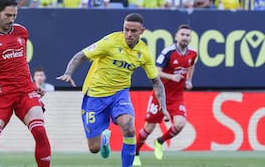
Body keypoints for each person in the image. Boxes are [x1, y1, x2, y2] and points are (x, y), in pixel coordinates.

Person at [57, 13, 170, 167]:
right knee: (94, 148)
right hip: (95, 96)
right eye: (126, 29)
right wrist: (68, 73)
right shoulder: (110, 42)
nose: (129, 34)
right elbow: (80, 56)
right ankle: (104, 139)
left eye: (133, 31)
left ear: (142, 31)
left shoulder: (144, 52)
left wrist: (163, 106)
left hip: (119, 94)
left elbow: (156, 82)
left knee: (129, 129)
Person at [0, 0, 51, 167]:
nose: (12, 20)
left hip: (25, 91)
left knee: (39, 130)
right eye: (8, 15)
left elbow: (20, 62)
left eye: (14, 16)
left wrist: (32, 84)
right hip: (1, 94)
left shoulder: (21, 32)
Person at [132, 24, 197, 166]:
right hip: (160, 95)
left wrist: (188, 80)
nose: (185, 37)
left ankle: (160, 141)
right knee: (149, 128)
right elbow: (156, 71)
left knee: (180, 123)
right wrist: (171, 77)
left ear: (190, 37)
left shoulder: (193, 53)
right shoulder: (168, 52)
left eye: (187, 35)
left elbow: (191, 65)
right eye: (182, 34)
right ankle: (135, 154)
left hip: (176, 96)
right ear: (176, 36)